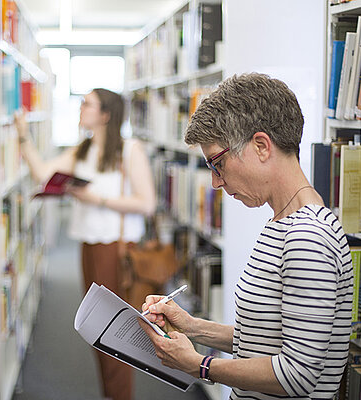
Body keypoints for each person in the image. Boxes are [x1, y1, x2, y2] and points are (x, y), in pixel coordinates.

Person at [138, 73, 353, 399]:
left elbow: (297, 375)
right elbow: (266, 338)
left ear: (261, 146)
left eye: (217, 164)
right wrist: (192, 325)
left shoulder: (308, 238)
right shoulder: (284, 223)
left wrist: (199, 365)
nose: (215, 183)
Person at [15, 88, 156, 400]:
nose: (80, 108)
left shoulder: (129, 150)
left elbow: (147, 203)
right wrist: (23, 137)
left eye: (87, 104)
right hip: (88, 246)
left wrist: (97, 199)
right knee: (96, 329)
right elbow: (43, 173)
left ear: (105, 115)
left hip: (115, 247)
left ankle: (120, 395)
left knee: (116, 331)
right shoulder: (83, 149)